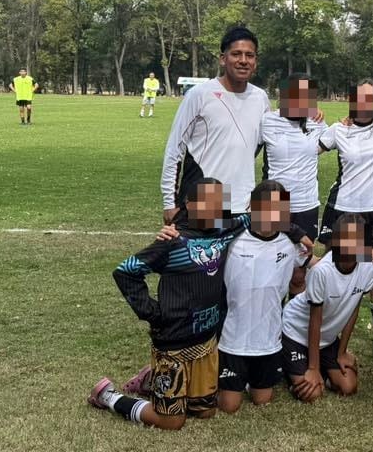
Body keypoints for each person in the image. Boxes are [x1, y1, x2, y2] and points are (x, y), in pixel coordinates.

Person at [88, 178, 311, 429]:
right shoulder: (173, 240)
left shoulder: (224, 230)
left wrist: (296, 231)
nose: (214, 209)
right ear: (190, 205)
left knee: (206, 412)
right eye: (206, 204)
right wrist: (153, 314)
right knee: (173, 421)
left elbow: (263, 219)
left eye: (219, 204)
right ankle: (110, 396)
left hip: (205, 342)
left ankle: (152, 380)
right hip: (173, 341)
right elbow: (125, 272)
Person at [317, 79, 373, 368]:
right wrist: (312, 118)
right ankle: (320, 337)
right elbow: (308, 148)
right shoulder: (339, 129)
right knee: (328, 274)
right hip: (341, 210)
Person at [160, 27, 269, 224]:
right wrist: (169, 202)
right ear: (222, 59)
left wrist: (311, 117)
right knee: (200, 255)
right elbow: (175, 149)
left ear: (255, 61)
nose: (243, 60)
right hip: (204, 200)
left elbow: (269, 144)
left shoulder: (261, 98)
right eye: (236, 54)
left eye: (249, 55)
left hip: (242, 204)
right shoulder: (200, 95)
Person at [217, 181, 308, 413]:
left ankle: (253, 379)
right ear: (252, 207)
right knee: (229, 406)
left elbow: (317, 265)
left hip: (269, 341)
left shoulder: (291, 245)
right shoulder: (231, 239)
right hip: (232, 341)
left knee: (262, 401)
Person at [281, 214, 373, 402]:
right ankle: (289, 363)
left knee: (348, 386)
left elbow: (353, 310)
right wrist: (313, 369)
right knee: (312, 394)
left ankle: (316, 366)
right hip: (296, 332)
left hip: (326, 339)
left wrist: (341, 352)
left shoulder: (368, 266)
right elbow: (314, 320)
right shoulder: (322, 271)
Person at [261, 75, 327, 241]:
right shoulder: (267, 121)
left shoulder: (315, 121)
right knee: (268, 255)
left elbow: (335, 139)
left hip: (307, 203)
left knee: (302, 259)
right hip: (273, 200)